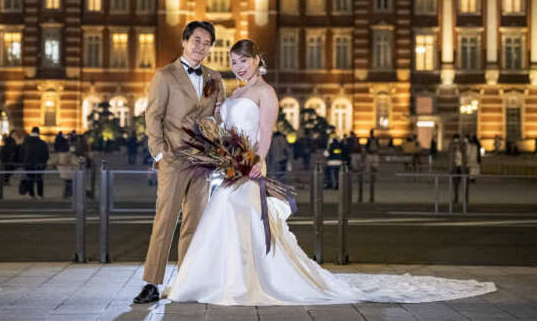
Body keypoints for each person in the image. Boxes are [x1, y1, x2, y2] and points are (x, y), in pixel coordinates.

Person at [165, 39, 496, 305]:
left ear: (257, 61)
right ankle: (212, 281)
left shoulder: (266, 92)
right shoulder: (235, 93)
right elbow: (225, 129)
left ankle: (243, 283)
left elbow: (266, 132)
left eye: (243, 60)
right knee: (222, 217)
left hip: (250, 167)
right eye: (234, 61)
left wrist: (256, 163)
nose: (238, 66)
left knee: (243, 217)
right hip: (228, 169)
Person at [134, 21, 226, 305]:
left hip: (202, 162)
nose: (201, 47)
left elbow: (219, 115)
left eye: (207, 42)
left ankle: (187, 281)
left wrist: (215, 136)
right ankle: (151, 283)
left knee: (195, 223)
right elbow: (153, 117)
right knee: (165, 221)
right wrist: (160, 154)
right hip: (173, 160)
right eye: (197, 40)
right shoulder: (165, 76)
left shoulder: (214, 78)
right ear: (185, 41)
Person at [22, 127, 49, 198]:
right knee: (39, 179)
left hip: (28, 164)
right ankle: (40, 194)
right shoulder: (42, 143)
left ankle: (32, 194)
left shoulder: (26, 142)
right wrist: (44, 163)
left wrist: (23, 162)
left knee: (30, 179)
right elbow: (46, 155)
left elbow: (21, 153)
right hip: (39, 164)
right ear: (38, 133)